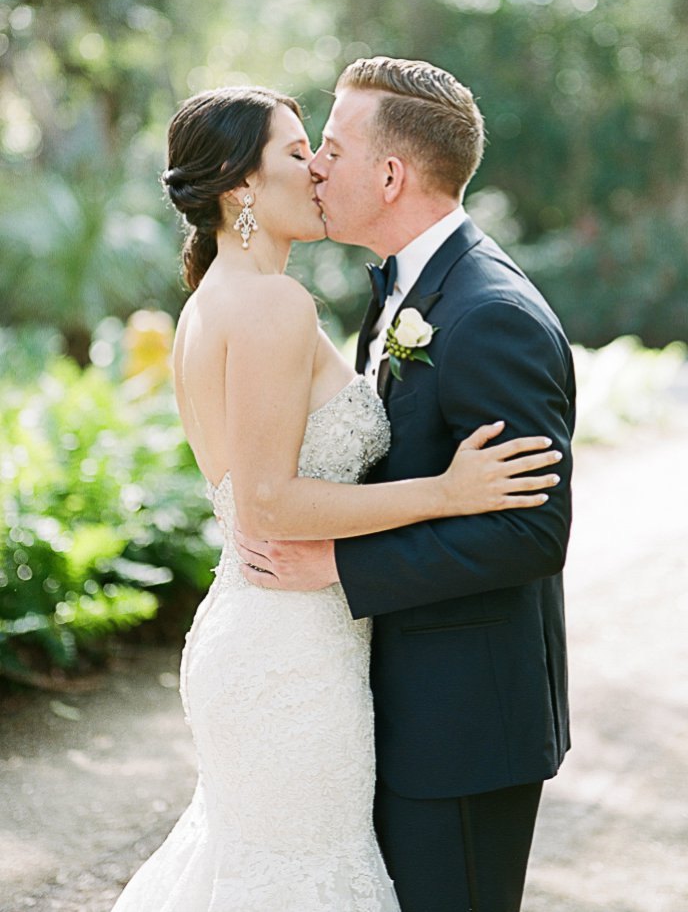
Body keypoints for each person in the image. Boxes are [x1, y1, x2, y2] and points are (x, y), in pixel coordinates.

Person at [110, 85, 561, 912]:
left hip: (260, 625)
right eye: (296, 151)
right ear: (242, 187)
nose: (315, 166)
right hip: (290, 643)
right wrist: (448, 489)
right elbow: (269, 505)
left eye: (324, 147)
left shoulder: (209, 304)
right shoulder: (276, 304)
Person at [237, 57, 576, 912]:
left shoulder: (490, 311)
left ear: (390, 175)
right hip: (396, 699)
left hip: (463, 719)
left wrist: (342, 569)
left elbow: (532, 531)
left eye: (335, 149)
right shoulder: (400, 289)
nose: (317, 165)